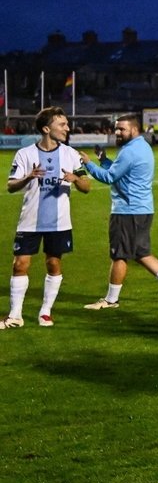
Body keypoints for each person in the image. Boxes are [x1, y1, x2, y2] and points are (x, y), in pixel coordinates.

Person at [82, 114, 158, 309]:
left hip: (127, 211)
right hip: (142, 208)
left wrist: (88, 164)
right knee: (140, 252)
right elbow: (121, 174)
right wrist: (103, 160)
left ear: (134, 129)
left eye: (122, 129)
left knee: (119, 255)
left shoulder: (129, 151)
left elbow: (110, 177)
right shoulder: (141, 147)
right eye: (116, 128)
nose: (117, 132)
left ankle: (111, 300)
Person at [4, 108, 92, 329]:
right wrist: (28, 177)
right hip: (30, 220)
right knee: (20, 264)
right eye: (62, 124)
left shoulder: (70, 154)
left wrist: (74, 178)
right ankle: (15, 315)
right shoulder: (25, 154)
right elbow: (11, 186)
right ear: (46, 128)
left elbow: (86, 186)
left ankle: (45, 312)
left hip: (59, 221)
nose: (67, 128)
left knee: (53, 263)